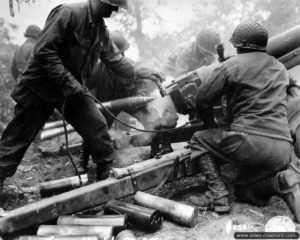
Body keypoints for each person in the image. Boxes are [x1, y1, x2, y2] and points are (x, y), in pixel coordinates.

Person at [0, 0, 164, 194]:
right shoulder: (67, 13)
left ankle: (106, 179)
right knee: (17, 138)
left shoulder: (101, 29)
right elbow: (43, 51)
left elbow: (115, 59)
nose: (115, 10)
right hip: (39, 86)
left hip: (70, 88)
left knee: (96, 125)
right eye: (112, 5)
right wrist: (70, 82)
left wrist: (142, 72)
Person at [187, 21, 300, 223]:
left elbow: (201, 99)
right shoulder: (280, 68)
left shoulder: (230, 66)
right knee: (243, 190)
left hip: (250, 144)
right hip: (283, 151)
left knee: (198, 139)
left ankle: (217, 195)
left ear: (239, 45)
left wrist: (210, 124)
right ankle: (281, 182)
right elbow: (293, 86)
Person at [77, 31, 162, 173]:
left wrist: (139, 96)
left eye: (121, 54)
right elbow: (86, 86)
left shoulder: (131, 67)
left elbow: (141, 82)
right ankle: (83, 160)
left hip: (130, 103)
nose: (119, 57)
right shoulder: (97, 69)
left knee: (153, 119)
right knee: (92, 128)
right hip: (108, 106)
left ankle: (157, 151)